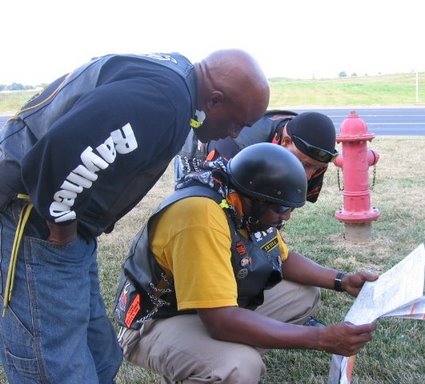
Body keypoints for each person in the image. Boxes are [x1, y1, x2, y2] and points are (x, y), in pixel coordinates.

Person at [0, 49, 269, 383]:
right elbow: (58, 154)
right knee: (55, 365)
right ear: (214, 100)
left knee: (99, 355)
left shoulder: (180, 81)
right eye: (237, 123)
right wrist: (63, 232)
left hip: (68, 222)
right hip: (40, 217)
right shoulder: (162, 101)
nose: (233, 135)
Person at [114, 143, 378, 384]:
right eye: (280, 209)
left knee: (302, 295)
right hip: (153, 319)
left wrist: (342, 280)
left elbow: (282, 259)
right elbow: (221, 321)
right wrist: (320, 339)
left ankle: (215, 351)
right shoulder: (201, 216)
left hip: (198, 307)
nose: (285, 216)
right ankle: (213, 361)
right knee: (239, 367)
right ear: (254, 198)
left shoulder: (243, 199)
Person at [174, 110, 338, 203]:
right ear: (286, 141)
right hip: (200, 147)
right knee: (202, 204)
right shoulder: (240, 144)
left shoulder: (313, 155)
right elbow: (222, 197)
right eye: (304, 165)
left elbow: (284, 201)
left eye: (316, 168)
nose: (307, 175)